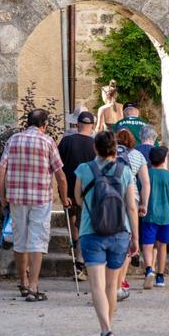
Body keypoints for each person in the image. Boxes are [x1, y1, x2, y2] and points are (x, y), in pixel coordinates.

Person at [73, 131, 139, 336]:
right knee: (113, 285)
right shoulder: (125, 171)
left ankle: (105, 330)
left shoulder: (84, 169)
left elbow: (78, 199)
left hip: (91, 232)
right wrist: (135, 237)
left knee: (97, 286)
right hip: (121, 232)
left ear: (95, 148)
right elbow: (131, 206)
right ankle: (108, 327)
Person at [0, 109, 72, 302]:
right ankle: (33, 286)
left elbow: (0, 171)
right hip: (40, 199)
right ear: (44, 124)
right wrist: (64, 198)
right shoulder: (47, 142)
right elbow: (60, 176)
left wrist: (2, 196)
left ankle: (23, 282)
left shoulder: (13, 140)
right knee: (37, 241)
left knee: (20, 240)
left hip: (16, 198)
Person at [57, 111, 97, 281]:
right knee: (86, 226)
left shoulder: (66, 141)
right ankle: (82, 263)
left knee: (73, 224)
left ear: (77, 124)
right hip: (90, 191)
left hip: (69, 190)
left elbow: (58, 167)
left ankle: (78, 260)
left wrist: (61, 191)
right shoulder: (96, 143)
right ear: (92, 126)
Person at [114, 129, 150, 301]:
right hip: (131, 198)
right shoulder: (138, 156)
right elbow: (145, 182)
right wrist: (144, 203)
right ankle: (121, 281)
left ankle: (110, 279)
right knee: (127, 239)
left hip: (110, 198)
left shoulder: (109, 152)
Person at [142, 146, 169, 288]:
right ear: (164, 160)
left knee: (147, 245)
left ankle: (148, 270)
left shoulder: (146, 174)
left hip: (148, 214)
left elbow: (140, 192)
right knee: (162, 246)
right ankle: (160, 276)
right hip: (165, 215)